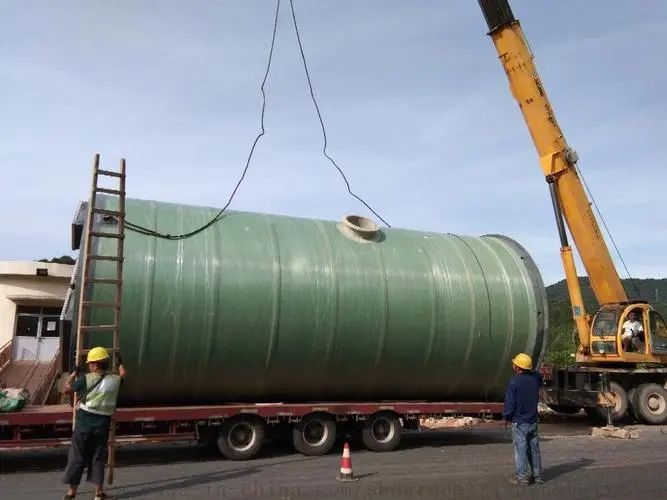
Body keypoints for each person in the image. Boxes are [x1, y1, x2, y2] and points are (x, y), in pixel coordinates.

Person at [62, 347, 127, 500]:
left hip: (84, 424)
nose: (89, 366)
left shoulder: (86, 379)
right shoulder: (115, 380)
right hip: (102, 425)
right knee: (98, 457)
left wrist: (73, 374)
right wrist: (120, 364)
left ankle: (71, 494)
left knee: (77, 456)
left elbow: (66, 389)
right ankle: (98, 494)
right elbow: (123, 374)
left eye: (90, 363)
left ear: (96, 364)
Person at [503, 352, 543, 486]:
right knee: (534, 450)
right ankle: (538, 477)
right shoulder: (534, 381)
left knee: (520, 451)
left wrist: (506, 416)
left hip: (520, 423)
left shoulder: (514, 382)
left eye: (514, 364)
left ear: (518, 367)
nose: (513, 366)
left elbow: (510, 403)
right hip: (533, 421)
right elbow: (538, 376)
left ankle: (522, 478)